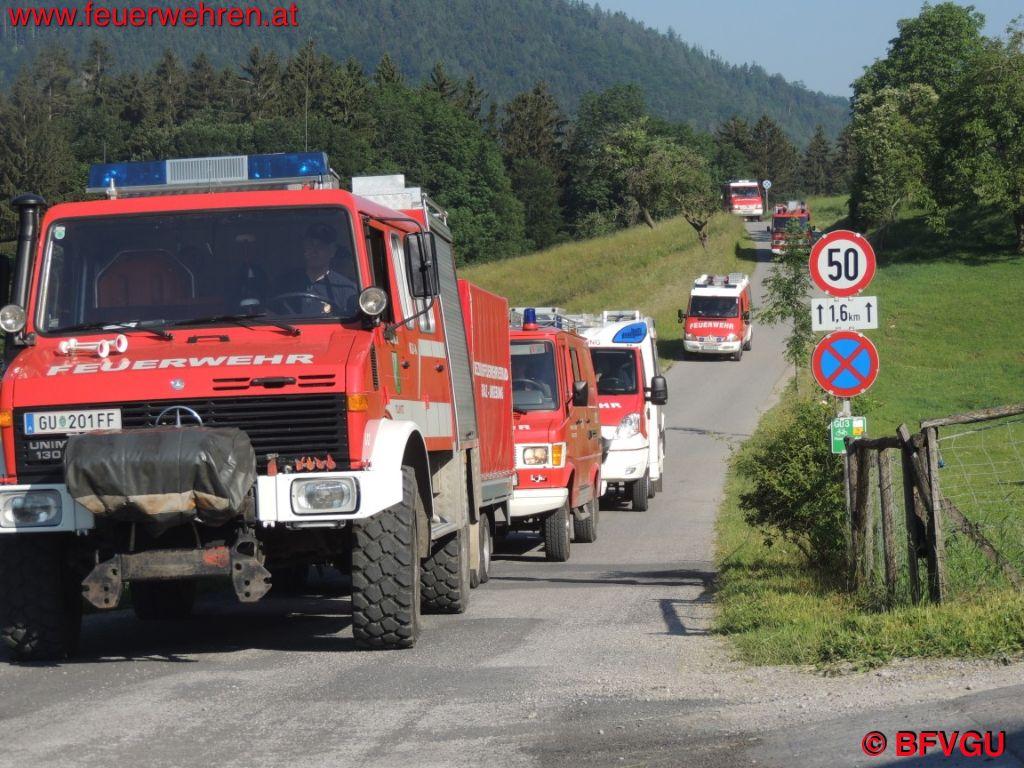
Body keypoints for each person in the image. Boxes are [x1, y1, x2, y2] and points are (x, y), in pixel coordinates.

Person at [277, 223, 359, 316]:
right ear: (304, 248)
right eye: (310, 245)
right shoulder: (285, 282)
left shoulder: (346, 288)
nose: (314, 251)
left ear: (332, 251)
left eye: (321, 246)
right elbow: (270, 313)